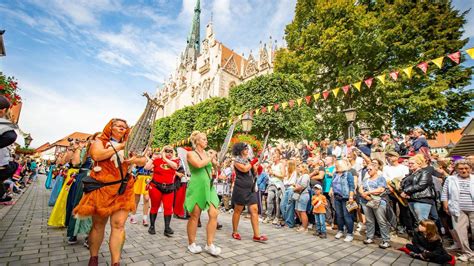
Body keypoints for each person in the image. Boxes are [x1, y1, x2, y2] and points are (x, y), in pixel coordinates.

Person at [73, 119, 147, 266]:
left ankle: (115, 262)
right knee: (98, 225)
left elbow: (143, 160)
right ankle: (93, 258)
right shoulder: (100, 141)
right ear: (110, 127)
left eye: (124, 127)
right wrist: (120, 146)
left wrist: (135, 160)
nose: (122, 128)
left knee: (119, 225)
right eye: (118, 126)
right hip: (102, 188)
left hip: (123, 189)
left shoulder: (130, 143)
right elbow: (97, 155)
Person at [184, 131, 221, 256]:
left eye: (206, 139)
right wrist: (210, 157)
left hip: (209, 186)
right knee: (195, 215)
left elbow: (214, 168)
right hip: (197, 186)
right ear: (197, 141)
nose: (206, 141)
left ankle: (209, 244)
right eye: (204, 139)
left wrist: (215, 164)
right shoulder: (190, 154)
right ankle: (191, 243)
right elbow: (199, 165)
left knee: (214, 213)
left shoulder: (207, 153)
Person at [230, 142, 268, 242]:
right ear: (240, 150)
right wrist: (252, 163)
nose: (247, 150)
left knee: (254, 209)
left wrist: (257, 167)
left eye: (247, 148)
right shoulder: (236, 160)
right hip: (241, 188)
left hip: (251, 188)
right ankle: (235, 232)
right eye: (245, 149)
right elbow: (244, 169)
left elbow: (254, 172)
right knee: (238, 210)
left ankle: (256, 235)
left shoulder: (249, 159)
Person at [441, 160, 474, 262]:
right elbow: (444, 193)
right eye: (461, 168)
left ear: (471, 169)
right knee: (460, 232)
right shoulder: (450, 179)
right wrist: (445, 205)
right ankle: (467, 253)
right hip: (457, 209)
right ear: (456, 169)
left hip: (473, 208)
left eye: (466, 168)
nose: (464, 170)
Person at [144, 145, 179, 236]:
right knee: (154, 206)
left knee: (168, 208)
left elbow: (174, 167)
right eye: (167, 151)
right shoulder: (157, 161)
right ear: (163, 151)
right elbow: (146, 168)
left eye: (171, 151)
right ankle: (152, 226)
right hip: (156, 186)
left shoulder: (175, 160)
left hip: (169, 188)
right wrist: (153, 158)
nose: (169, 153)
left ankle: (167, 228)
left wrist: (164, 158)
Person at [359, 163, 391, 249]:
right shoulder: (366, 179)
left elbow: (381, 189)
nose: (368, 171)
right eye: (367, 169)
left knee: (381, 221)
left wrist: (368, 193)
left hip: (378, 201)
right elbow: (360, 188)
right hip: (366, 201)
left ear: (376, 169)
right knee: (369, 220)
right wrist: (364, 195)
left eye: (370, 169)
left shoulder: (381, 178)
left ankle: (386, 240)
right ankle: (370, 237)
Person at [401, 154, 436, 222]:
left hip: (422, 200)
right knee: (417, 223)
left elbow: (421, 185)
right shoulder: (410, 174)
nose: (410, 165)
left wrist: (405, 191)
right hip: (412, 199)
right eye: (409, 163)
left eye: (412, 163)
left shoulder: (425, 172)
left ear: (419, 164)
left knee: (422, 222)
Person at [330, 160, 355, 242]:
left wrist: (351, 197)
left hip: (346, 197)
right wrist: (331, 189)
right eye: (336, 165)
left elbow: (352, 186)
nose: (336, 166)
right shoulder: (335, 174)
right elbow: (332, 183)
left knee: (347, 216)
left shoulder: (348, 174)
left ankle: (350, 234)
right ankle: (340, 230)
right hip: (337, 197)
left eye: (338, 165)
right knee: (339, 215)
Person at [0, 96, 18, 204]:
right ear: (3, 110)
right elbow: (11, 136)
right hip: (2, 165)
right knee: (12, 166)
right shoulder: (3, 122)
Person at [264, 149, 285, 224]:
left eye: (275, 157)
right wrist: (270, 173)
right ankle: (269, 216)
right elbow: (270, 174)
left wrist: (274, 173)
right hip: (271, 184)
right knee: (269, 200)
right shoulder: (272, 165)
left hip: (278, 184)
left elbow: (283, 175)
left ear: (278, 158)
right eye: (273, 157)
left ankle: (277, 217)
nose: (273, 158)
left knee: (277, 201)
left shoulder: (281, 165)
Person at [294, 163, 311, 232]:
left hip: (304, 194)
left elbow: (303, 185)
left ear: (304, 168)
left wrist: (295, 189)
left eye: (300, 167)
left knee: (302, 211)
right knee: (297, 210)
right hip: (299, 194)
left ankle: (305, 227)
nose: (298, 168)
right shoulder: (301, 176)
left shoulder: (306, 175)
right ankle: (303, 224)